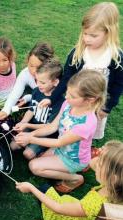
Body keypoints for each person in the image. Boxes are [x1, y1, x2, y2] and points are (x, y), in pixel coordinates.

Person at [39, 2, 123, 139]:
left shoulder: (116, 57)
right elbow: (66, 78)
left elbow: (118, 86)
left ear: (108, 32)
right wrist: (51, 99)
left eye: (94, 36)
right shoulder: (77, 53)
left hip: (97, 104)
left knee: (89, 133)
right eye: (85, 34)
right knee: (71, 129)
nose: (87, 39)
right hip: (77, 102)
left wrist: (107, 107)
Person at [15, 69, 106, 193]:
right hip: (61, 150)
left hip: (73, 159)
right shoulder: (68, 105)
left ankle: (75, 178)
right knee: (37, 159)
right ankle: (83, 163)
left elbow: (59, 142)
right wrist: (30, 133)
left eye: (73, 96)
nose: (67, 97)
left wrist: (30, 138)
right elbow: (52, 127)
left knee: (34, 166)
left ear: (90, 99)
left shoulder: (86, 124)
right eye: (67, 92)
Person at [16, 140, 123, 220]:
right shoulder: (115, 186)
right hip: (81, 211)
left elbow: (57, 208)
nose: (95, 160)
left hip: (70, 218)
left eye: (99, 163)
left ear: (112, 178)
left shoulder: (95, 204)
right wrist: (103, 154)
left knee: (42, 190)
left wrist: (30, 188)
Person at [11, 59, 64, 160]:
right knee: (13, 146)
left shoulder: (59, 101)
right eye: (37, 80)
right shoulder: (36, 91)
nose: (38, 84)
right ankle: (29, 144)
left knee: (27, 154)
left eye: (42, 82)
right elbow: (31, 110)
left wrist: (27, 125)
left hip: (46, 134)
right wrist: (23, 123)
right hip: (32, 127)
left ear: (55, 82)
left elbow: (49, 126)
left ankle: (43, 150)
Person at [0, 42, 55, 120]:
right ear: (27, 61)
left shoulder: (53, 78)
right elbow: (15, 93)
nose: (33, 71)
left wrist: (29, 98)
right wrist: (6, 110)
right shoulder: (25, 73)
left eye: (39, 67)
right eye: (31, 65)